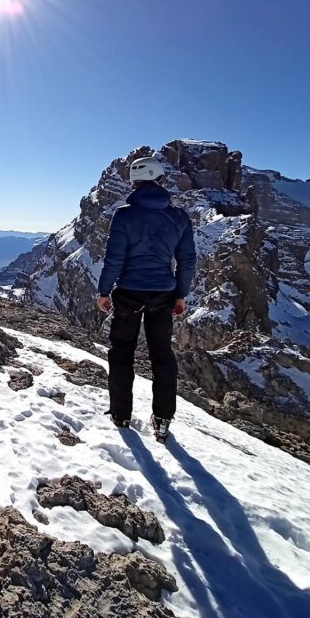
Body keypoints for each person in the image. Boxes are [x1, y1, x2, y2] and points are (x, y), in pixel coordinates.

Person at [95, 155, 196, 441]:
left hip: (128, 293)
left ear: (134, 182)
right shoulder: (179, 217)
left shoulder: (124, 215)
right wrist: (181, 295)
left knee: (121, 352)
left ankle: (120, 414)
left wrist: (104, 292)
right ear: (160, 179)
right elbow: (187, 260)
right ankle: (163, 419)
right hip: (163, 294)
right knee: (162, 354)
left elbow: (113, 259)